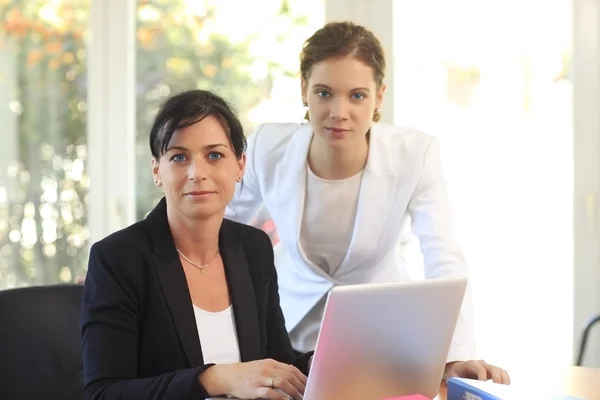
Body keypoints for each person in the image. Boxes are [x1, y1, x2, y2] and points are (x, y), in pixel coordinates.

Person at [225, 21, 510, 384]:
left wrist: (454, 356)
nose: (338, 112)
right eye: (324, 93)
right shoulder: (268, 145)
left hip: (384, 345)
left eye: (356, 95)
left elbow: (444, 256)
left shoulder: (415, 154)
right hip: (286, 339)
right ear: (304, 90)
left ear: (379, 97)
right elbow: (220, 227)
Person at [80, 90, 311, 400]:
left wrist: (322, 360)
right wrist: (213, 378)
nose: (197, 173)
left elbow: (278, 365)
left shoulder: (253, 248)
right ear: (157, 171)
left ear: (240, 166)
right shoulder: (118, 259)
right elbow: (103, 393)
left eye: (214, 155)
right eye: (179, 157)